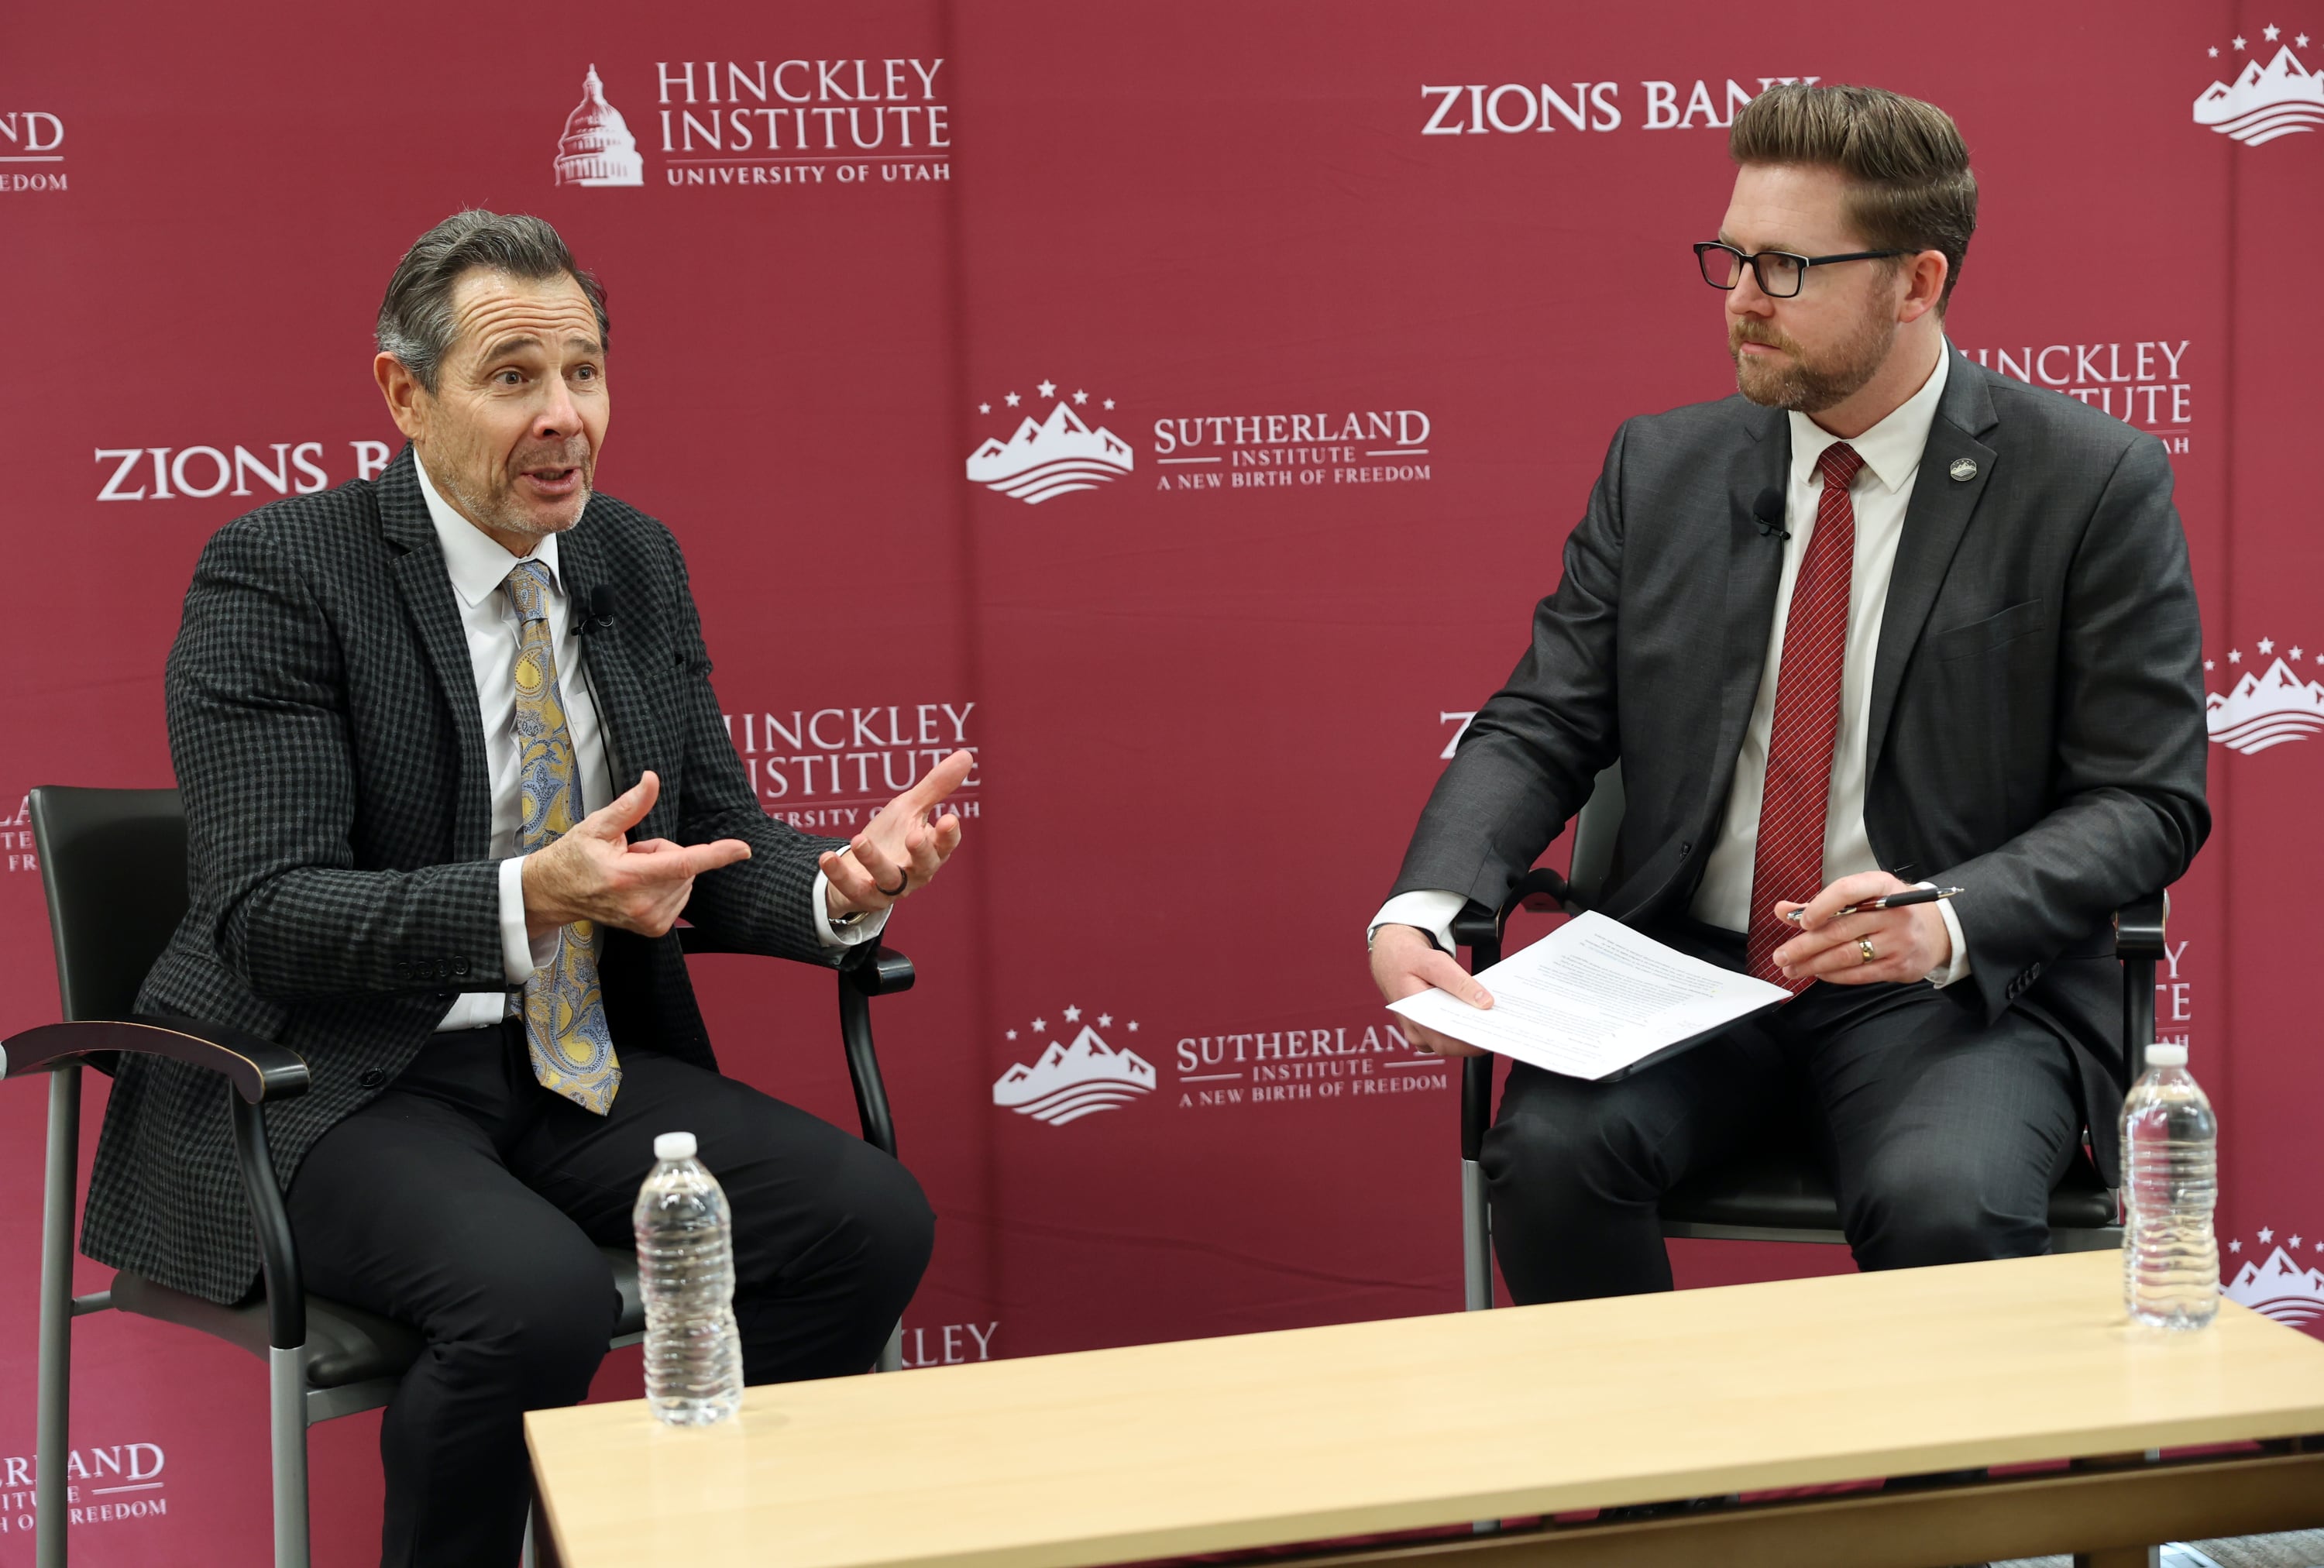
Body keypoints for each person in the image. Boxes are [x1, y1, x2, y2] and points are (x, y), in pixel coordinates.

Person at [83, 210, 968, 1567]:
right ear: (404, 393)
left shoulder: (633, 559)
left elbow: (706, 831)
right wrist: (529, 898)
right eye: (513, 379)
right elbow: (267, 913)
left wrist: (835, 889)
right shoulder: (281, 574)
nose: (565, 420)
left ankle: (717, 1546)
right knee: (531, 1298)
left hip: (572, 1065)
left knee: (863, 1222)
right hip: (326, 1081)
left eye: (587, 374)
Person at [1368, 84, 2207, 1305]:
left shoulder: (2087, 483)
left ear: (1917, 283)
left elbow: (2147, 799)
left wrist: (1946, 913)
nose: (1743, 299)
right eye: (1732, 258)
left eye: (1787, 267)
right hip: (1683, 971)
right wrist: (1424, 907)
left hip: (1946, 990)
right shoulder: (1661, 467)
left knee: (1947, 1200)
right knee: (1547, 1157)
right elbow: (1544, 716)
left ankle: (1925, 1507)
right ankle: (1668, 1502)